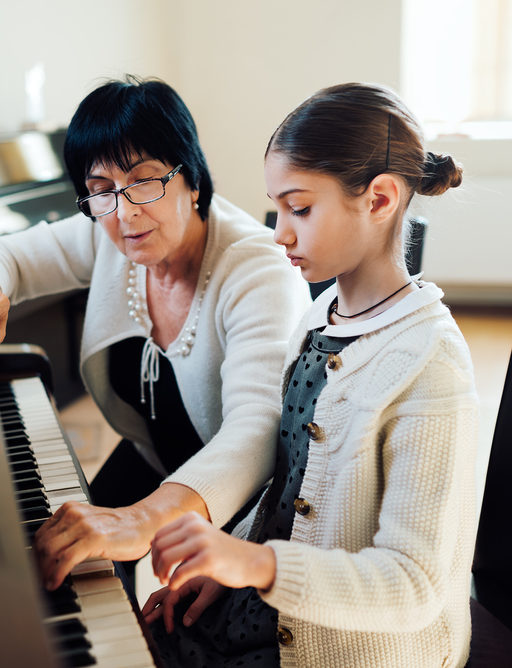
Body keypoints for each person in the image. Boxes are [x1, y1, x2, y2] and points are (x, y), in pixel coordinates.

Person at [142, 82, 480, 668]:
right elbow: (291, 487)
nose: (279, 231)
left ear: (379, 200)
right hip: (283, 606)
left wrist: (256, 566)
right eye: (276, 208)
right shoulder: (321, 315)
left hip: (360, 648)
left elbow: (414, 585)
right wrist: (234, 562)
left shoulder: (429, 362)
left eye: (300, 208)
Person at [0, 76, 310, 590]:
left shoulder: (257, 271)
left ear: (192, 179)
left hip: (245, 500)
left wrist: (141, 520)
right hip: (154, 457)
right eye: (101, 190)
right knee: (67, 558)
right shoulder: (108, 232)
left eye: (144, 181)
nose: (125, 211)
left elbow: (256, 432)